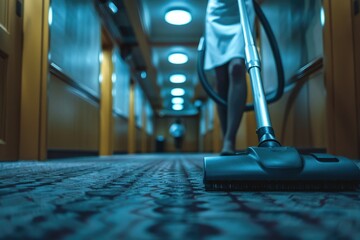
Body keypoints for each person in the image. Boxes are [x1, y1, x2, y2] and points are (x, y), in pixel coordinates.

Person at [204, 0, 255, 155]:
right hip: (217, 13)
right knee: (221, 80)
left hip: (241, 8)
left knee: (237, 68)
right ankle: (226, 135)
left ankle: (230, 138)